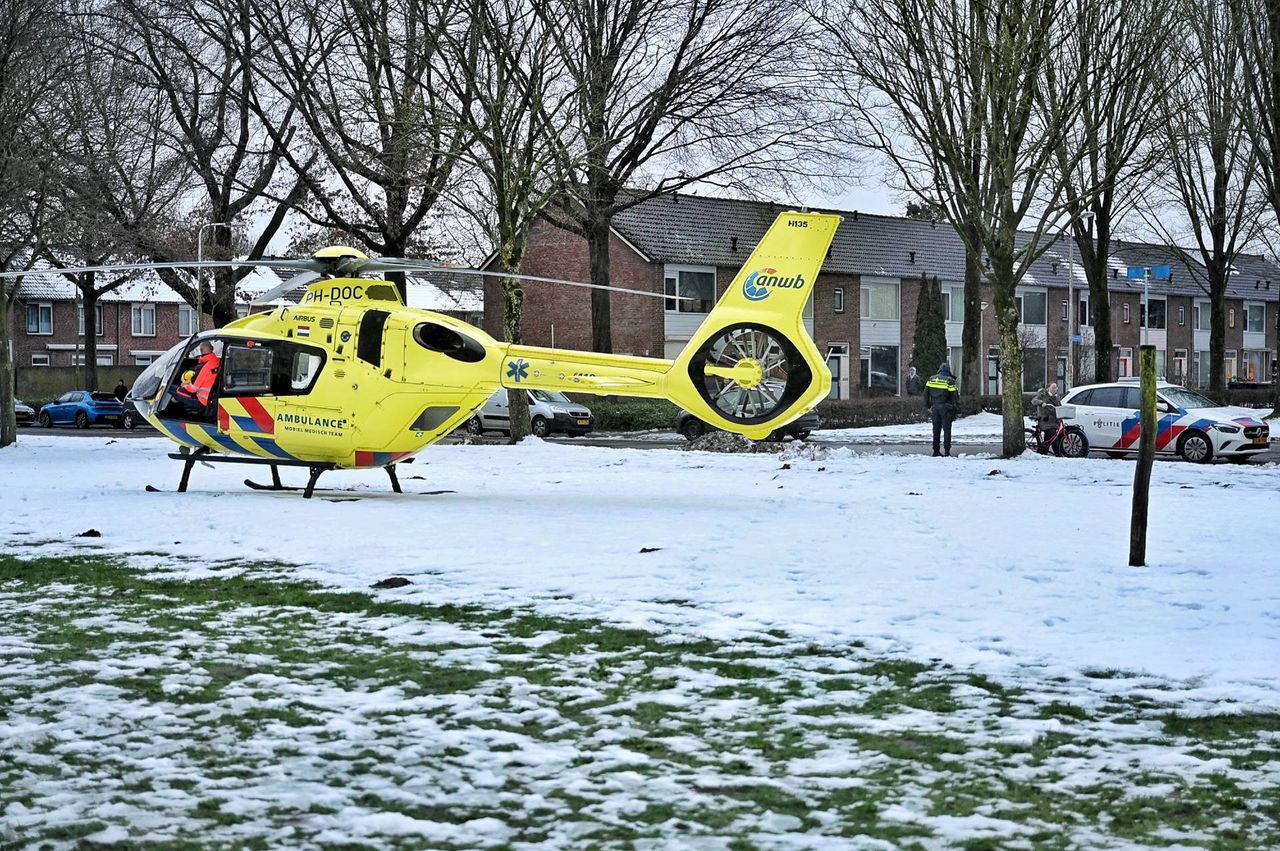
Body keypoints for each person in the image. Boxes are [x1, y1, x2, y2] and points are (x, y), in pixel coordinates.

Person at [923, 361, 959, 457]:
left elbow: (925, 394)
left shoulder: (931, 379)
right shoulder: (950, 380)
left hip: (934, 408)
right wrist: (955, 408)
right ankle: (947, 451)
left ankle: (936, 451)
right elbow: (954, 397)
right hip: (946, 408)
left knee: (936, 430)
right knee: (947, 430)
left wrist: (928, 406)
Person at [175, 341, 221, 412]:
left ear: (201, 350)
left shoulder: (204, 366)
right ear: (212, 348)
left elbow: (193, 389)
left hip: (201, 401)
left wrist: (184, 385)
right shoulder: (217, 361)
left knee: (169, 389)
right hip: (210, 398)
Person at [1030, 382, 1061, 452]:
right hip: (1045, 420)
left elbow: (1059, 407)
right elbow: (1034, 401)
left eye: (1056, 387)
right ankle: (1056, 452)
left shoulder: (1057, 397)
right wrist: (1041, 403)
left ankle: (1045, 450)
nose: (1055, 389)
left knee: (1054, 434)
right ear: (1047, 389)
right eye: (1053, 388)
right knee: (1051, 433)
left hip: (1054, 421)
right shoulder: (1042, 395)